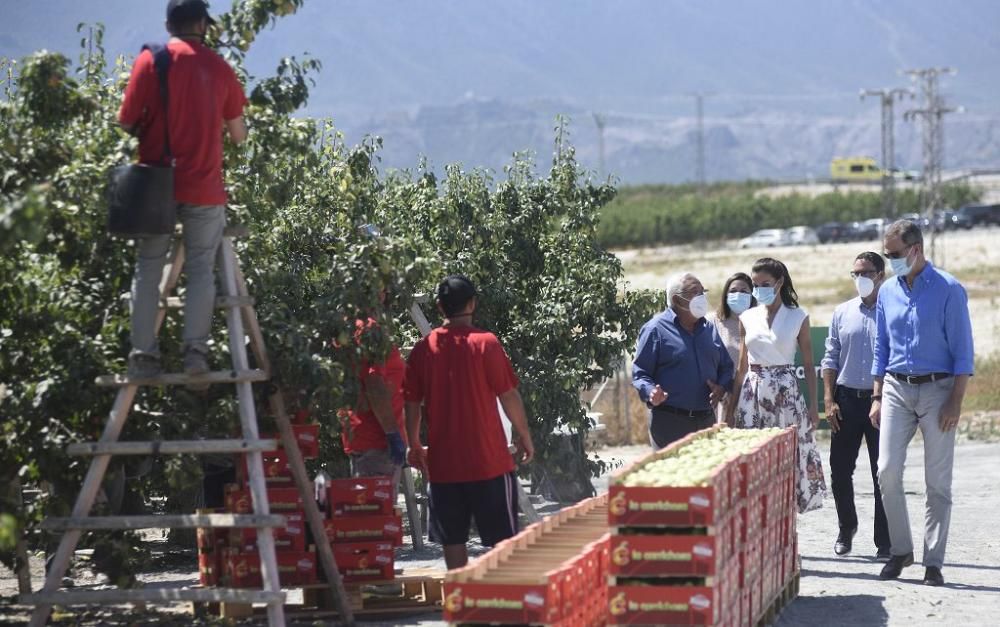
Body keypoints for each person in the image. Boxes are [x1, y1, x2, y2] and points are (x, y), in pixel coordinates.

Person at [120, 0, 248, 379]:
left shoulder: (151, 61)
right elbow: (239, 136)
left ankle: (143, 355)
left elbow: (125, 123)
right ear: (203, 26)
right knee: (200, 269)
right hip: (205, 186)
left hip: (155, 184)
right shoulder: (220, 68)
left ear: (168, 24)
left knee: (148, 268)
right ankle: (195, 353)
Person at [403, 275, 535, 569]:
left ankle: (462, 603)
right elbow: (508, 395)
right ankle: (500, 603)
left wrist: (413, 443)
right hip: (489, 461)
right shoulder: (485, 344)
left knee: (453, 542)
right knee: (502, 542)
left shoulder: (424, 350)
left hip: (444, 466)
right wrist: (523, 434)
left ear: (439, 307)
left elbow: (411, 405)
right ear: (473, 303)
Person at [871, 220, 974, 586]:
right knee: (886, 470)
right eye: (886, 255)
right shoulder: (886, 292)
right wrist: (877, 394)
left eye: (894, 254)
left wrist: (955, 402)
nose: (890, 261)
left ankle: (934, 561)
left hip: (939, 390)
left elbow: (964, 353)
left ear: (916, 249)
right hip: (897, 388)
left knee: (937, 481)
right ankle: (901, 550)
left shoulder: (948, 289)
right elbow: (881, 346)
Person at [727, 257, 826, 513]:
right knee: (754, 459)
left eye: (765, 283)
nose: (759, 289)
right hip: (753, 392)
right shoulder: (747, 317)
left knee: (788, 460)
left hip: (786, 394)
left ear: (779, 283)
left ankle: (788, 528)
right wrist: (731, 409)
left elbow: (808, 362)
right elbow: (741, 367)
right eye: (756, 284)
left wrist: (814, 406)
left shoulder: (798, 316)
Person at [821, 252, 891, 559]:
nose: (860, 278)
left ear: (880, 275)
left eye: (866, 272)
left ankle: (885, 541)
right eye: (855, 273)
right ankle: (846, 527)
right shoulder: (842, 312)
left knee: (883, 473)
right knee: (839, 471)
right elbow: (830, 357)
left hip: (884, 402)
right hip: (846, 399)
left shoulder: (893, 312)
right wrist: (828, 398)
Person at [632, 272, 734, 449]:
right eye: (696, 292)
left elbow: (726, 367)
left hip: (706, 421)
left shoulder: (709, 329)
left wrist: (721, 388)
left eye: (703, 291)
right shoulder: (655, 330)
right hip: (670, 423)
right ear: (677, 300)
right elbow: (640, 373)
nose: (702, 297)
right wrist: (651, 392)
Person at [341, 317, 408, 494]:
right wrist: (392, 433)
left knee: (365, 513)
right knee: (377, 514)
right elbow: (375, 385)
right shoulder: (370, 330)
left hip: (360, 437)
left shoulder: (346, 327)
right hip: (378, 443)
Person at [707, 272, 755, 422]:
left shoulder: (759, 322)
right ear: (725, 295)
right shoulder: (712, 322)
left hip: (753, 395)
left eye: (744, 291)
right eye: (733, 291)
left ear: (752, 295)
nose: (738, 295)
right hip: (723, 396)